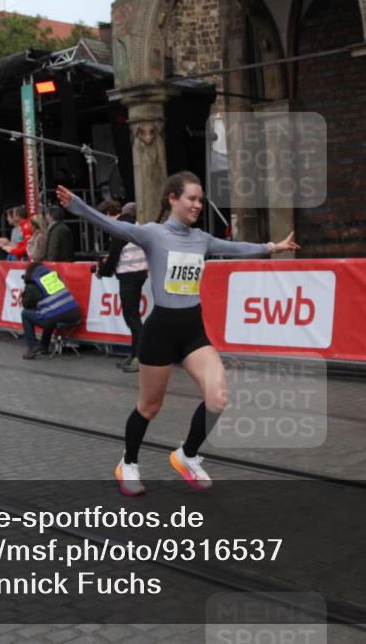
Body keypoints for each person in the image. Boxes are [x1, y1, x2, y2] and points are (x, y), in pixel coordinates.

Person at [56, 171, 299, 496]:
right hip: (160, 332)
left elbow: (236, 247)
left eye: (200, 200)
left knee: (218, 398)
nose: (198, 205)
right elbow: (112, 225)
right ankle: (128, 463)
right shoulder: (153, 235)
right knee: (149, 407)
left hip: (192, 331)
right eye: (192, 199)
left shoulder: (201, 239)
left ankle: (187, 455)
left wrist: (274, 246)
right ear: (173, 199)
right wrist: (78, 207)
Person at [98, 201, 149, 373]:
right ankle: (134, 353)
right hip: (138, 273)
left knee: (132, 317)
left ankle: (140, 357)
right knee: (132, 316)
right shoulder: (134, 224)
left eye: (103, 216)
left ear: (110, 212)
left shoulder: (120, 229)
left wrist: (102, 271)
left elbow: (113, 257)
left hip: (129, 275)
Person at [19, 261, 82, 359]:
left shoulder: (34, 284)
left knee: (26, 314)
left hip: (56, 316)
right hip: (75, 315)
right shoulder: (55, 278)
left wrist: (25, 293)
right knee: (48, 312)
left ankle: (32, 346)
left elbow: (27, 305)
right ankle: (44, 346)